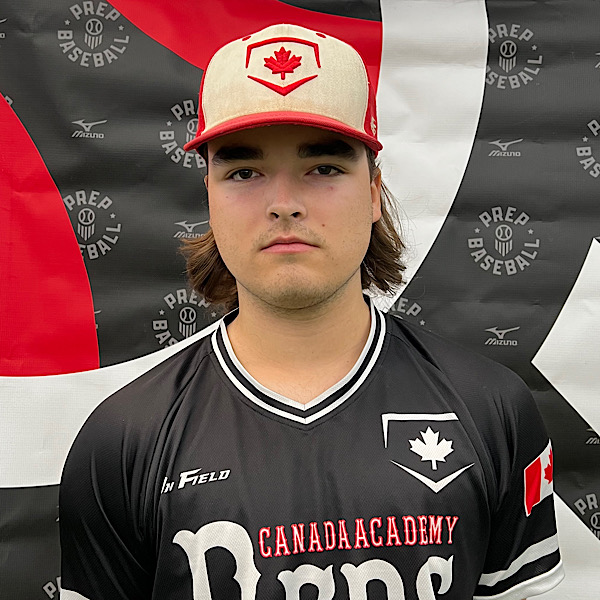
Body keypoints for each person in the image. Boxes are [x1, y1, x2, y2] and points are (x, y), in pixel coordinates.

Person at [59, 23, 564, 600]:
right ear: (210, 197)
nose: (284, 204)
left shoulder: (492, 409)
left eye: (323, 168)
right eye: (243, 172)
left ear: (373, 193)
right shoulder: (122, 440)